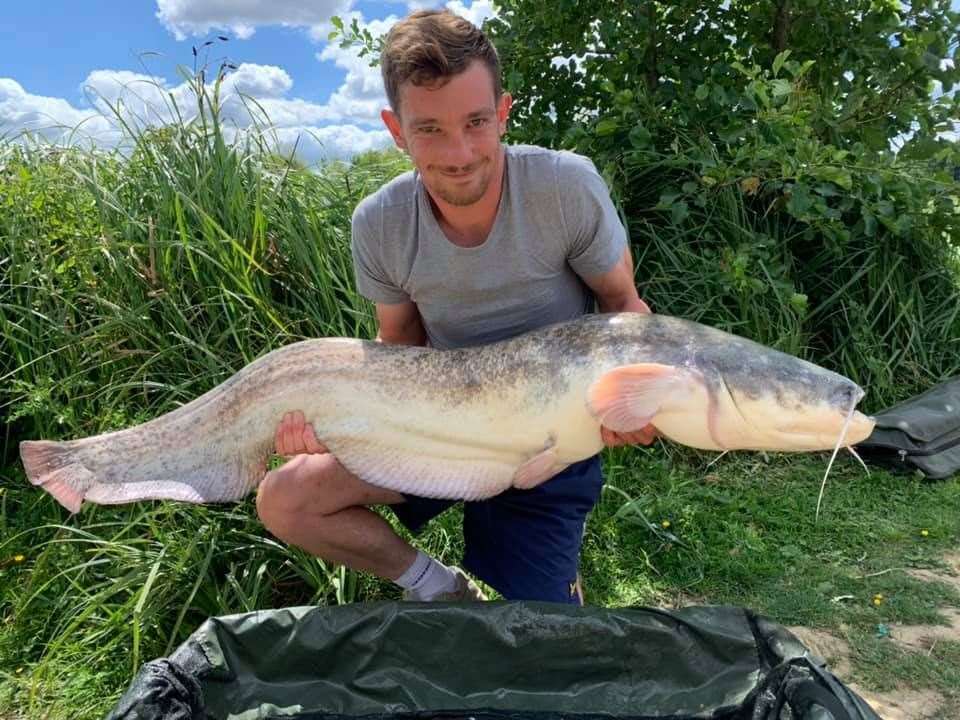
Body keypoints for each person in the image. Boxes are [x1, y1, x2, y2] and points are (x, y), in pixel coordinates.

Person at [255, 9, 655, 605]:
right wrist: (339, 424)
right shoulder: (380, 222)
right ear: (396, 129)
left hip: (547, 436)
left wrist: (633, 396)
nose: (459, 152)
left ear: (502, 112)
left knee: (541, 637)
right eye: (430, 129)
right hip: (435, 430)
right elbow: (397, 347)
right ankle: (438, 588)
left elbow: (623, 304)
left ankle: (549, 582)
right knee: (285, 499)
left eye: (475, 122)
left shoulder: (565, 187)